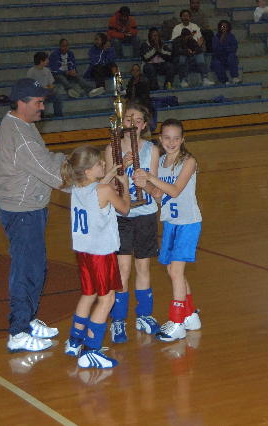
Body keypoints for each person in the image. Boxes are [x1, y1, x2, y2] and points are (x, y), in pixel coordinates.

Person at [0, 78, 64, 353]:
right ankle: (19, 332)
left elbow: (44, 158)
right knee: (26, 271)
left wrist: (62, 159)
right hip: (23, 213)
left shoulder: (23, 125)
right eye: (38, 102)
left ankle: (29, 319)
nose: (42, 107)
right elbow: (53, 174)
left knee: (36, 267)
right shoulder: (21, 136)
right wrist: (87, 175)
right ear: (21, 102)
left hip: (30, 209)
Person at [60, 145, 130, 369]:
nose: (104, 164)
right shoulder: (104, 190)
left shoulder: (76, 187)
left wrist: (110, 173)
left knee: (88, 294)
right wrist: (125, 185)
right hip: (101, 253)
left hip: (84, 252)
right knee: (106, 299)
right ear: (89, 171)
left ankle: (74, 341)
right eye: (100, 163)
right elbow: (125, 208)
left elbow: (97, 189)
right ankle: (91, 350)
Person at [133, 118, 202, 342]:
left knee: (176, 272)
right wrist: (144, 183)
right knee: (173, 270)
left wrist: (150, 177)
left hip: (187, 223)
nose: (171, 142)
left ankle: (177, 321)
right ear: (160, 139)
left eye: (176, 138)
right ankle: (190, 315)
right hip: (171, 223)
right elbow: (158, 194)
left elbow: (174, 190)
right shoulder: (161, 161)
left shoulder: (189, 161)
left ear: (182, 140)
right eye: (167, 138)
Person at [104, 103, 161, 344]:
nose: (133, 124)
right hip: (121, 217)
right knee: (123, 269)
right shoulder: (112, 149)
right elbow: (106, 185)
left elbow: (155, 186)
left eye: (138, 120)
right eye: (128, 119)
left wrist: (145, 181)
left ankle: (144, 315)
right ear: (121, 122)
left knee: (143, 267)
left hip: (146, 214)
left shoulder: (152, 149)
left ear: (144, 125)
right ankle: (118, 319)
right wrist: (122, 169)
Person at [27, 51, 63, 117]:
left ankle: (59, 115)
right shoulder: (31, 72)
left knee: (57, 96)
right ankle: (40, 116)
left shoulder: (47, 70)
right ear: (41, 61)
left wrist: (50, 89)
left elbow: (51, 84)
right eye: (46, 59)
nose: (48, 61)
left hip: (47, 93)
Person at [84, 33, 118, 97]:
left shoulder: (110, 49)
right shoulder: (92, 50)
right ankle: (100, 88)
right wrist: (102, 51)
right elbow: (96, 62)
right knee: (98, 67)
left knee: (113, 65)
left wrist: (106, 50)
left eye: (97, 39)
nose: (95, 41)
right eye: (95, 39)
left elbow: (111, 60)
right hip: (95, 71)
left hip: (105, 70)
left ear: (103, 41)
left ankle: (118, 85)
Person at [210, 20, 240, 85]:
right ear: (219, 27)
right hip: (219, 58)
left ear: (228, 27)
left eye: (225, 26)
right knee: (216, 63)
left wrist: (223, 48)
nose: (224, 28)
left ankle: (235, 77)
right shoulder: (216, 37)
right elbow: (216, 50)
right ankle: (225, 81)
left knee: (232, 56)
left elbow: (234, 48)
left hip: (229, 57)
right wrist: (221, 41)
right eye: (222, 26)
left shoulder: (231, 36)